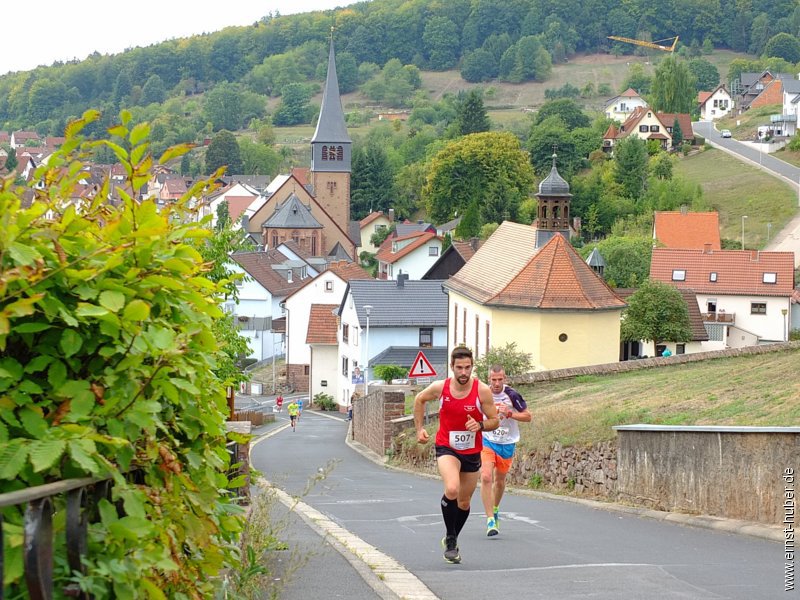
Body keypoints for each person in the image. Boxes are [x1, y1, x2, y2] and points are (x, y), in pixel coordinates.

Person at [413, 346, 499, 564]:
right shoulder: (440, 388)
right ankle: (451, 540)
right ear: (452, 367)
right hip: (447, 447)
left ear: (472, 367)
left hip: (471, 451)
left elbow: (494, 420)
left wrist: (480, 425)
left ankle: (452, 536)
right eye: (459, 368)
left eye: (467, 368)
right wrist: (419, 428)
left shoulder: (482, 391)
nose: (463, 372)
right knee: (452, 488)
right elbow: (419, 400)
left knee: (463, 502)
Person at [480, 365, 532, 537]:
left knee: (500, 481)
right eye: (493, 379)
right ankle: (489, 520)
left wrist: (509, 413)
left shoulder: (512, 395)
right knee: (486, 476)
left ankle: (495, 509)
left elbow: (528, 416)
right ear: (489, 379)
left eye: (500, 379)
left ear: (505, 379)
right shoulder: (482, 393)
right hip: (487, 439)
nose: (496, 383)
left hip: (507, 442)